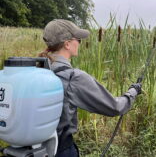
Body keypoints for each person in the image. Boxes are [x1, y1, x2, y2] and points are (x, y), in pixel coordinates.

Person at [39, 19, 142, 157]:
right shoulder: (73, 78)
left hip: (34, 150)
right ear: (67, 44)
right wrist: (133, 91)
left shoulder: (37, 69)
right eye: (78, 39)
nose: (80, 43)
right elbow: (115, 107)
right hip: (60, 151)